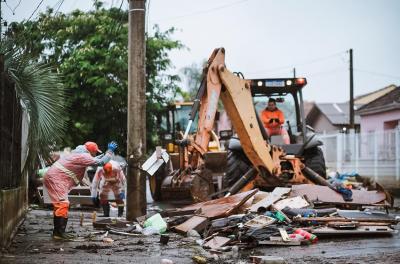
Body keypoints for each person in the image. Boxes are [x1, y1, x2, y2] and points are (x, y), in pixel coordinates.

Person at [43, 141, 118, 240]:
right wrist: (110, 151)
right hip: (56, 178)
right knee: (63, 204)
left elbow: (93, 160)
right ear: (91, 151)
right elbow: (101, 162)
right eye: (95, 152)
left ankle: (58, 232)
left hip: (54, 177)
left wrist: (102, 155)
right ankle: (59, 233)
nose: (95, 154)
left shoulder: (79, 154)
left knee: (60, 204)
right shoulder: (83, 156)